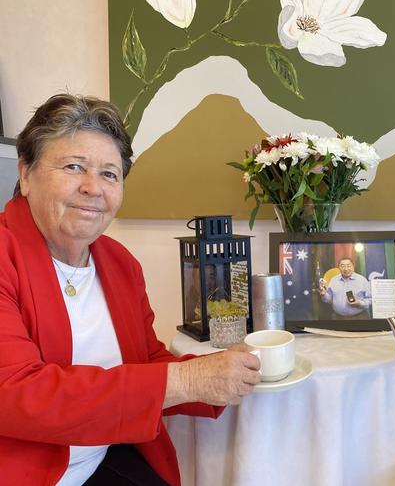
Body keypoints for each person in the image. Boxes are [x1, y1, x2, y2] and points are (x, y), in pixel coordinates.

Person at [0, 94, 261, 486]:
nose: (93, 187)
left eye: (110, 174)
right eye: (74, 167)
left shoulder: (118, 262)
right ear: (26, 174)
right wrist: (189, 380)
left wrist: (221, 375)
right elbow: (18, 392)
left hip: (103, 456)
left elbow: (145, 359)